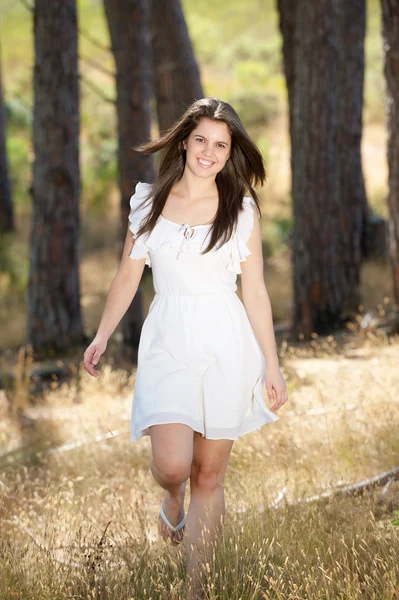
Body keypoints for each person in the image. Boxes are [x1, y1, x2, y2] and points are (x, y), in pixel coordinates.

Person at [83, 97, 288, 597]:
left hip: (226, 341)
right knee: (174, 465)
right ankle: (170, 498)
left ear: (230, 151)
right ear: (184, 141)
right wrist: (102, 334)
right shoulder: (149, 202)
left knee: (210, 472)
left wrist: (272, 366)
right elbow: (129, 275)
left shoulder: (241, 209)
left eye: (221, 144)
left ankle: (198, 588)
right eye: (201, 140)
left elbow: (255, 290)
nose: (209, 152)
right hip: (169, 337)